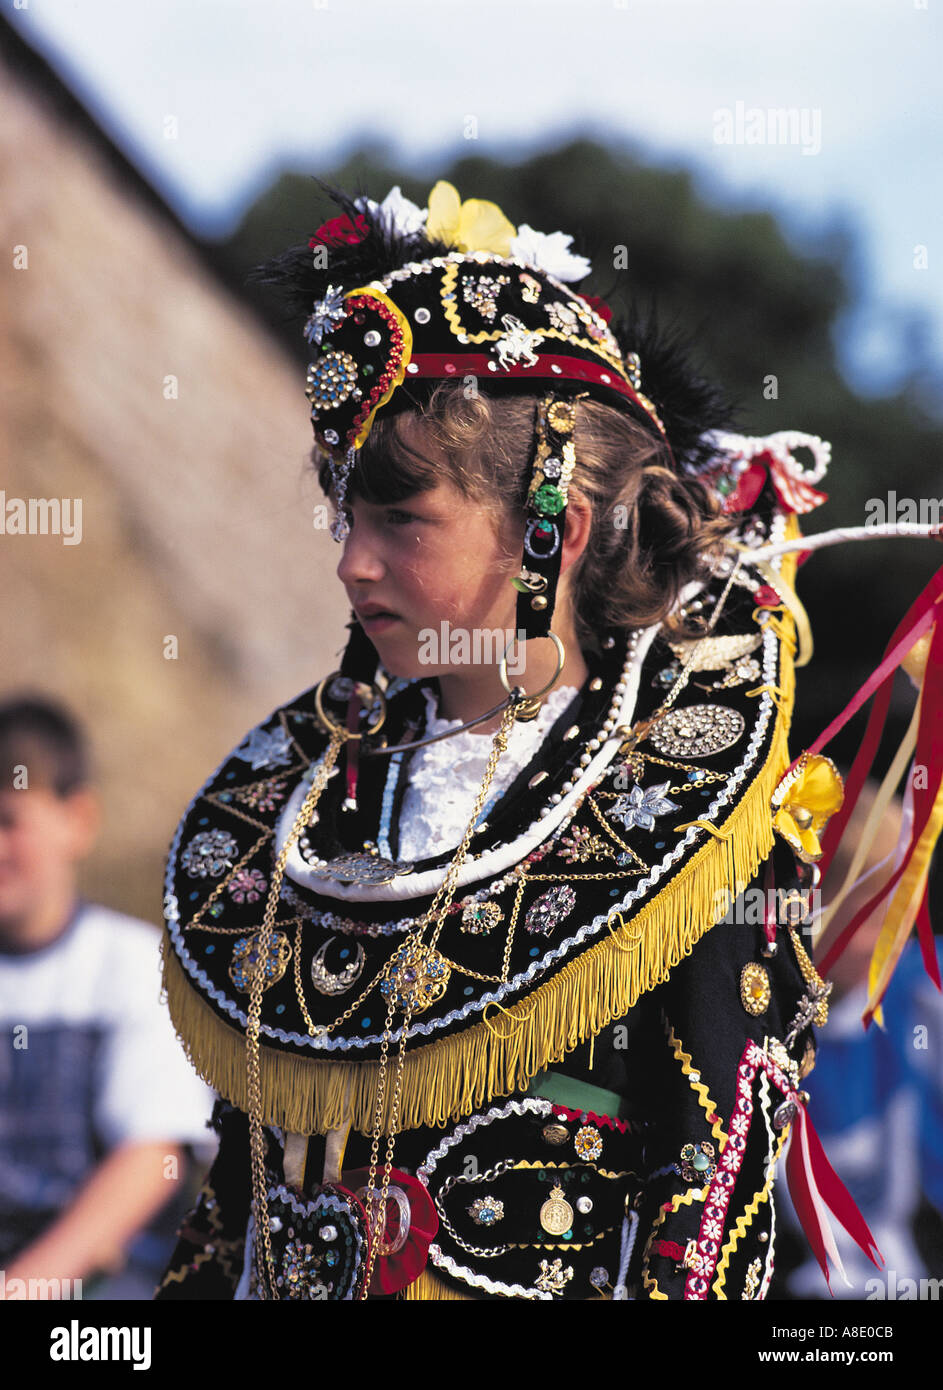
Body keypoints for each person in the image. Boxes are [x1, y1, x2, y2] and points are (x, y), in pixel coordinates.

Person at [155, 181, 932, 1301]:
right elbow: (230, 1214)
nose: (350, 563)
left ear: (547, 531)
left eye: (399, 517)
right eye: (343, 514)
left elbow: (708, 1222)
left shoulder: (693, 816)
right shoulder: (297, 807)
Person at [0, 696, 214, 1299]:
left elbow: (148, 1161)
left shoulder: (131, 967)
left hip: (106, 1284)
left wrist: (23, 1290)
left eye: (10, 821)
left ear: (79, 821)